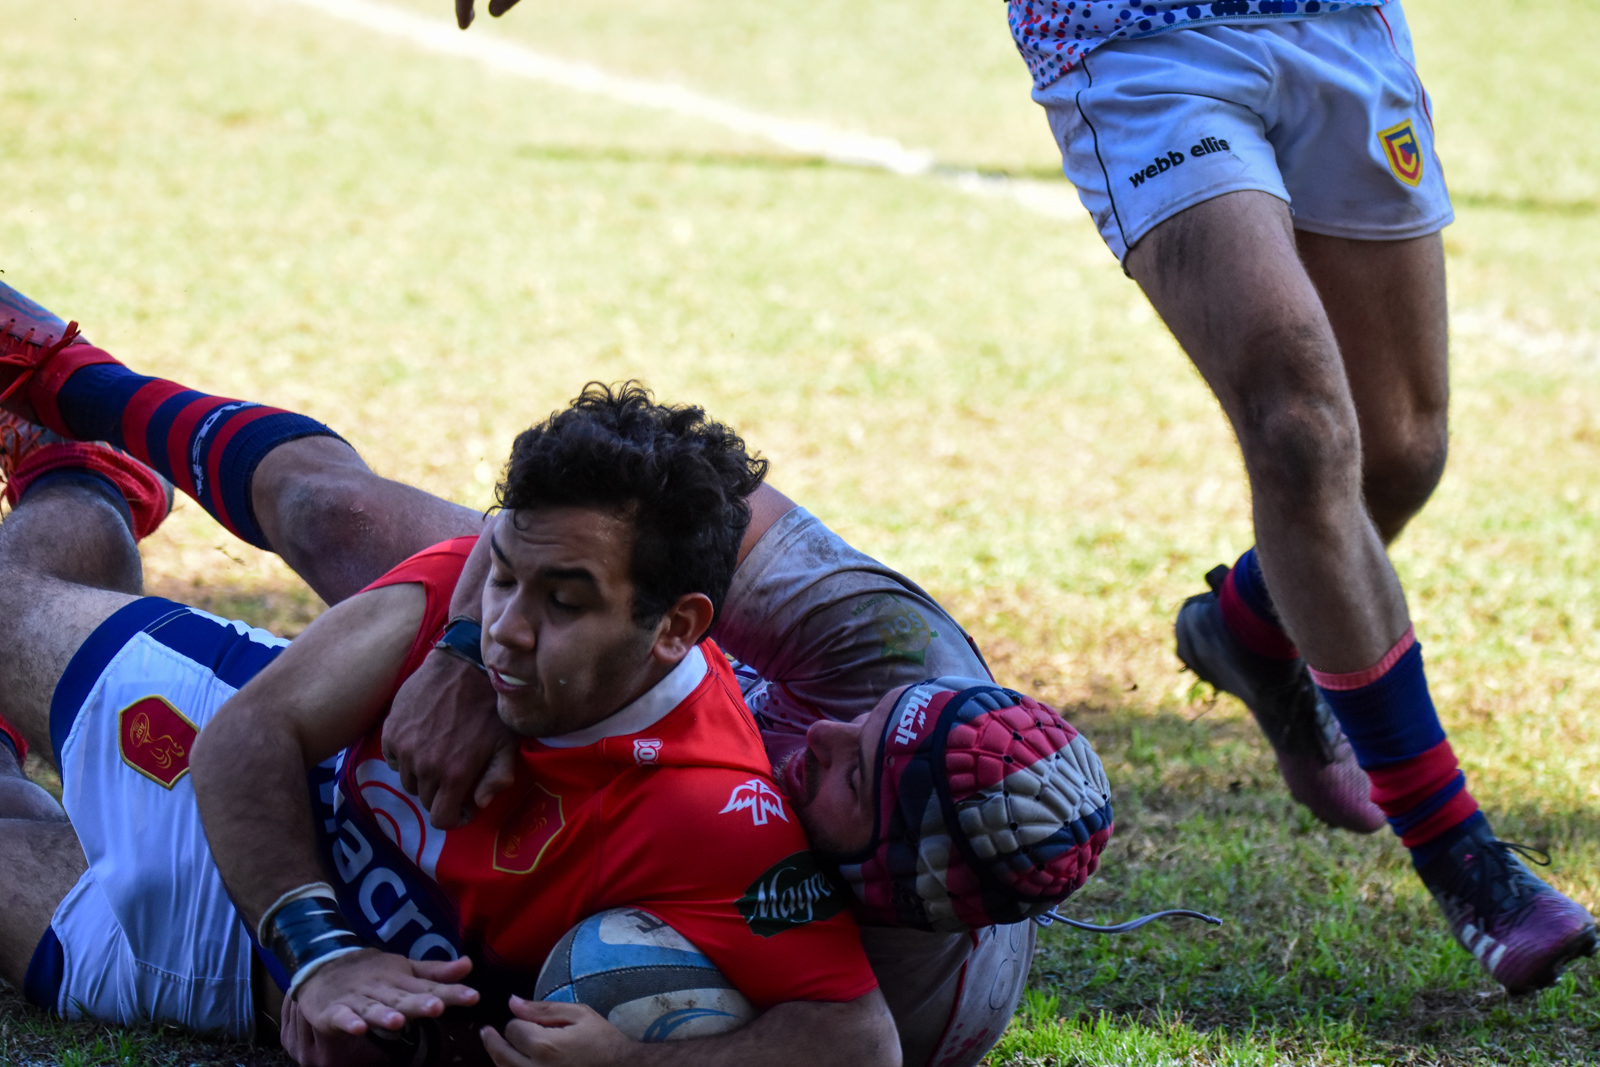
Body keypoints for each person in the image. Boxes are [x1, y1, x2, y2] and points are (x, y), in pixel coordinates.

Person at [0, 282, 1114, 1066]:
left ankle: (68, 501)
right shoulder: (885, 652)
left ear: (871, 878)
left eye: (849, 776)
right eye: (858, 722)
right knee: (324, 517)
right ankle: (70, 400)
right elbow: (675, 494)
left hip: (215, 949)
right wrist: (467, 646)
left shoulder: (806, 901)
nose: (818, 733)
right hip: (291, 772)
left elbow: (853, 1040)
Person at [995, 0, 1595, 991]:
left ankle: (1250, 620)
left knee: (1399, 455)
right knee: (1300, 431)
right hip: (1140, 41)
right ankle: (1464, 860)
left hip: (1337, 27)